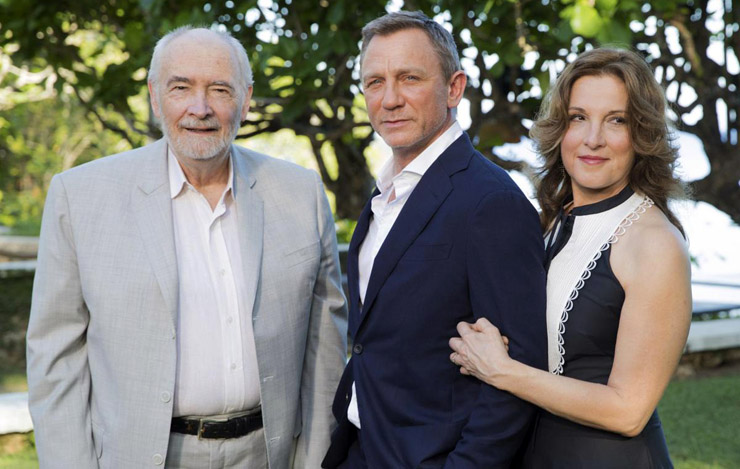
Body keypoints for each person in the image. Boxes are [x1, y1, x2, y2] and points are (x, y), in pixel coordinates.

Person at [27, 26, 347, 469]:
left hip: (270, 454)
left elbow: (325, 345)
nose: (200, 108)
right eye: (181, 88)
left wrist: (314, 460)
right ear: (156, 97)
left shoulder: (301, 193)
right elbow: (55, 359)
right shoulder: (79, 196)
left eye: (220, 89)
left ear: (246, 99)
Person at [322, 11, 547, 469]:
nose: (389, 99)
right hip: (362, 450)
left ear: (454, 88)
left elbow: (522, 371)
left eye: (409, 78)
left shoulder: (490, 201)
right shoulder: (386, 193)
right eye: (374, 82)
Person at [449, 47, 692, 468]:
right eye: (579, 117)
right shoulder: (549, 222)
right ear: (560, 129)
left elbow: (629, 411)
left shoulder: (654, 243)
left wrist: (502, 370)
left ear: (643, 134)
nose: (592, 138)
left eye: (616, 120)